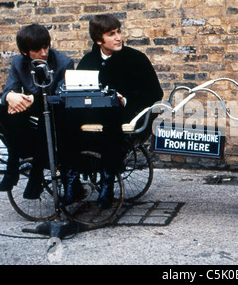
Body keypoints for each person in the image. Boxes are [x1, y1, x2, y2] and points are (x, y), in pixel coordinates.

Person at [61, 14, 163, 209]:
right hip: (92, 113)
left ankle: (108, 182)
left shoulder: (136, 59)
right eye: (111, 34)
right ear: (99, 40)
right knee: (65, 118)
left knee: (111, 116)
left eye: (119, 32)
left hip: (125, 113)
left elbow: (154, 93)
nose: (118, 37)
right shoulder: (88, 61)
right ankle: (71, 180)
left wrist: (124, 100)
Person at [0, 24, 74, 199]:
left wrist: (35, 100)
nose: (44, 52)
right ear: (26, 52)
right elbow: (9, 89)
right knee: (8, 111)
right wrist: (10, 96)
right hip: (29, 112)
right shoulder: (18, 62)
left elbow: (62, 98)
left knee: (44, 113)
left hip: (55, 113)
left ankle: (36, 173)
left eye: (46, 46)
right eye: (37, 49)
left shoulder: (63, 63)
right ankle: (12, 167)